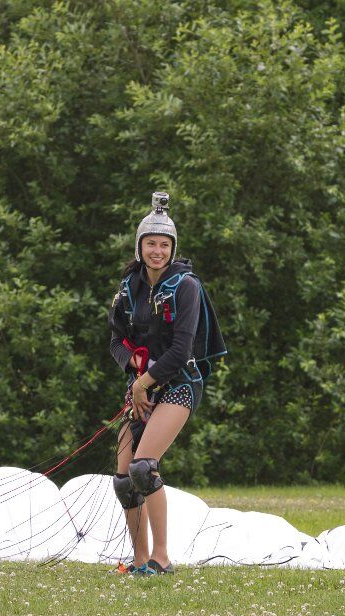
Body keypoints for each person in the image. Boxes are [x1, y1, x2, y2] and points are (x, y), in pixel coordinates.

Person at [107, 191, 226, 575]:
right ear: (139, 246)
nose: (157, 250)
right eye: (150, 243)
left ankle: (161, 558)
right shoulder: (129, 287)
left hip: (180, 382)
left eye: (164, 244)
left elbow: (181, 349)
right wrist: (134, 371)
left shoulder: (186, 286)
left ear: (172, 249)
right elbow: (115, 340)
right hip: (144, 384)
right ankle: (140, 561)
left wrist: (143, 383)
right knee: (125, 479)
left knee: (144, 467)